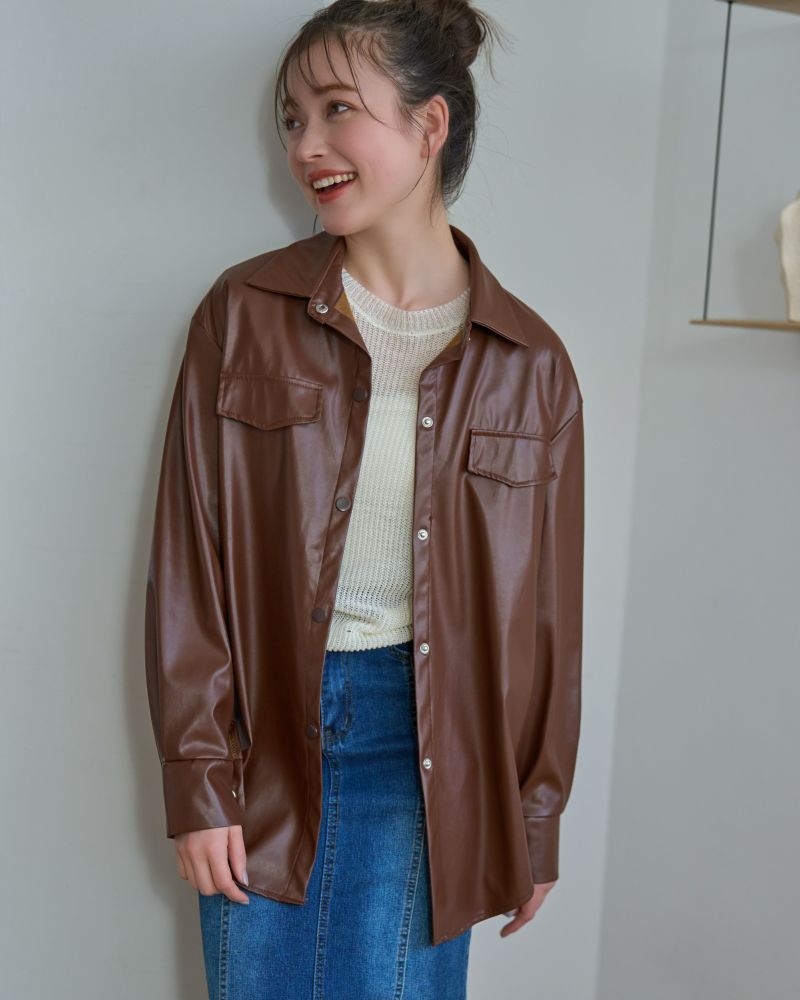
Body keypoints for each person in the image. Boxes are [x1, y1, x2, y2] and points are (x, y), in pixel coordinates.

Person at [144, 1, 585, 997]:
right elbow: (190, 563)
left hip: (433, 753)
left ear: (428, 126)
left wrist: (535, 815)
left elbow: (547, 622)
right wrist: (197, 777)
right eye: (291, 119)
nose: (307, 144)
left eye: (338, 109)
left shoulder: (531, 365)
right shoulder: (241, 314)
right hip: (262, 738)